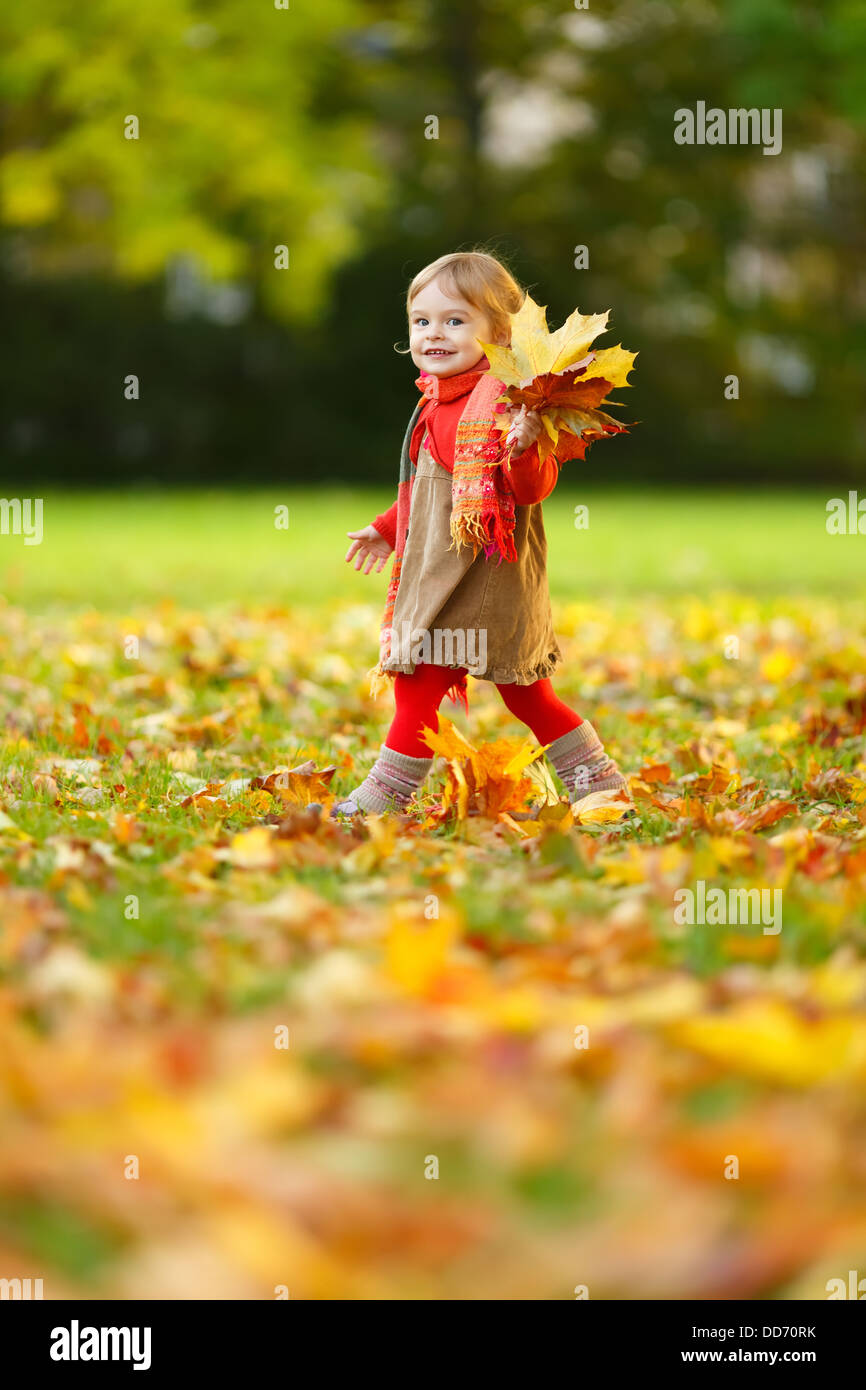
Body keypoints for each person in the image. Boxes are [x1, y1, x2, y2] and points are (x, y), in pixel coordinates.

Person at [331, 249, 627, 817]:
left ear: (499, 333)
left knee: (527, 694)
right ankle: (382, 797)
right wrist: (386, 529)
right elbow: (426, 489)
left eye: (455, 321)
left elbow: (532, 489)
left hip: (491, 579)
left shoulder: (513, 404)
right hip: (442, 574)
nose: (433, 334)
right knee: (415, 684)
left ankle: (601, 785)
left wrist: (520, 448)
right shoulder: (433, 404)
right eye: (422, 321)